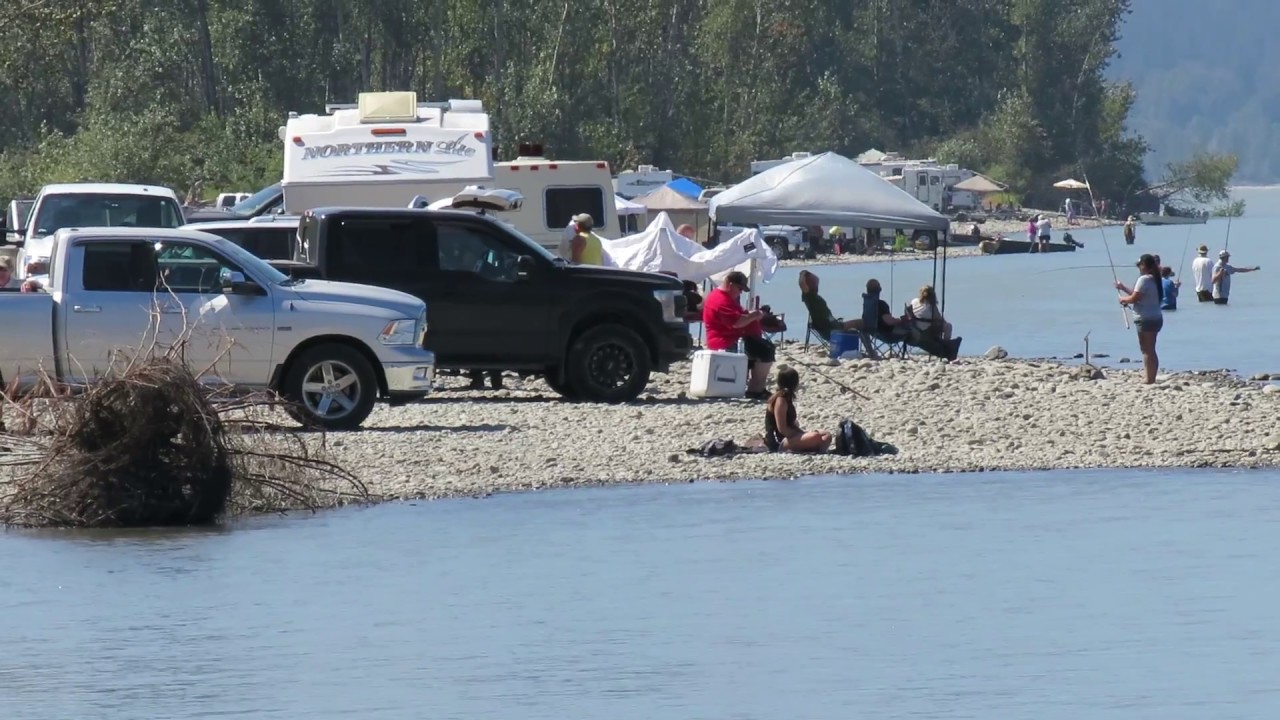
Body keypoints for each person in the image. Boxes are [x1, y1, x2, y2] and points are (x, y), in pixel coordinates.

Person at [702, 271, 773, 398]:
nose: (740, 292)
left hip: (733, 338)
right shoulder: (721, 300)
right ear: (730, 284)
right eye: (739, 289)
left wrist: (753, 314)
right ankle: (756, 389)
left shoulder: (727, 298)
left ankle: (755, 386)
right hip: (725, 341)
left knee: (760, 347)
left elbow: (739, 315)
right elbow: (736, 322)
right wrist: (755, 315)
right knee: (765, 350)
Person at [1115, 253, 1163, 384]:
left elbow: (1134, 298)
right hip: (1156, 317)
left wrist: (1122, 299)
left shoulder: (1144, 280)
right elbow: (1139, 295)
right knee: (1151, 349)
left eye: (1139, 265)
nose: (1139, 268)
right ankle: (1151, 377)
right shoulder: (1155, 279)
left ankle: (1149, 379)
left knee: (1146, 350)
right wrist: (1123, 288)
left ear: (1144, 266)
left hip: (1145, 319)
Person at [763, 366, 831, 453]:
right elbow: (782, 429)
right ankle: (815, 448)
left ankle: (820, 451)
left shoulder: (787, 398)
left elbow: (791, 425)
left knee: (826, 435)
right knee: (815, 436)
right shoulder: (781, 400)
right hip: (779, 441)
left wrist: (802, 434)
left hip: (790, 436)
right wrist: (800, 435)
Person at [798, 270, 864, 338]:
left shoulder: (812, 296)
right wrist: (802, 274)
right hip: (831, 329)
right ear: (809, 285)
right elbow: (802, 283)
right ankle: (869, 348)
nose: (816, 284)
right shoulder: (810, 297)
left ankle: (869, 348)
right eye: (813, 282)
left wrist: (807, 272)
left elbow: (817, 279)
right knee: (861, 323)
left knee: (861, 323)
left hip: (833, 326)